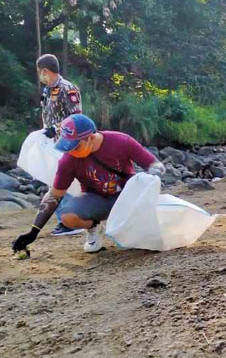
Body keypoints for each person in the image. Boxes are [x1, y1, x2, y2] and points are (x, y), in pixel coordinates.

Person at [11, 114, 165, 254]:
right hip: (96, 200)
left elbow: (156, 165)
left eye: (75, 146)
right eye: (67, 146)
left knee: (139, 240)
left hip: (127, 197)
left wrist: (150, 180)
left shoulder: (121, 141)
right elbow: (54, 195)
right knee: (68, 217)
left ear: (91, 137)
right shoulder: (68, 160)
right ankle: (94, 229)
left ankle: (138, 225)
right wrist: (33, 232)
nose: (71, 151)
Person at [36, 54, 85, 236]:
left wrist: (55, 129)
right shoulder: (48, 90)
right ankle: (65, 219)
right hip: (52, 145)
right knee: (54, 180)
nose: (40, 76)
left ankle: (71, 221)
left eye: (40, 72)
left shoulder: (67, 88)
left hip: (67, 144)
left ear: (45, 71)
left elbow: (76, 118)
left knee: (64, 181)